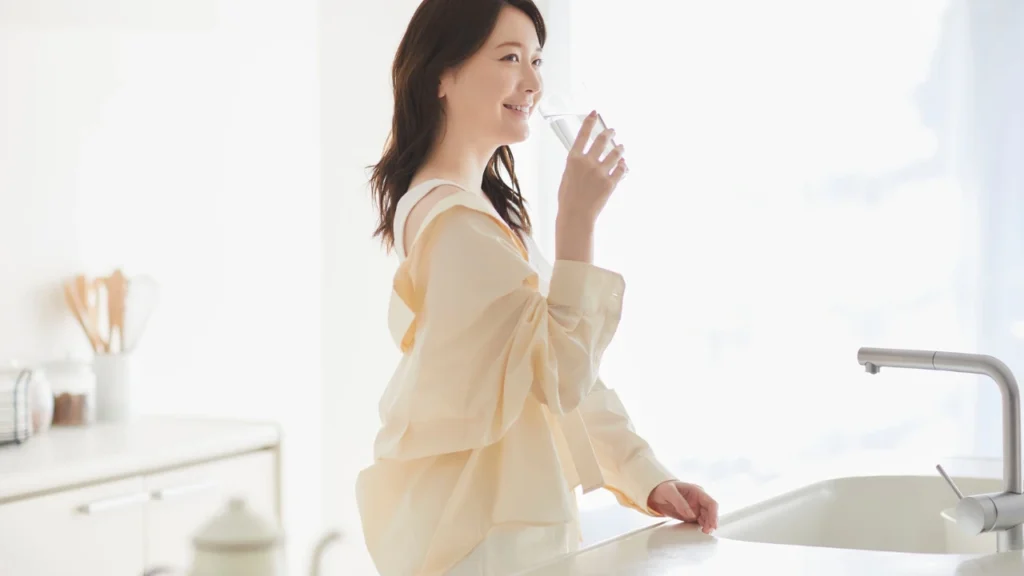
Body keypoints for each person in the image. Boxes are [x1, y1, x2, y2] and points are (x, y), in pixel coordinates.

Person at [355, 0, 719, 574]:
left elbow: (561, 371)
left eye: (537, 59)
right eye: (509, 58)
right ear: (442, 75)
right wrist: (577, 221)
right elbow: (561, 376)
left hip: (505, 531)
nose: (533, 81)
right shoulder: (454, 225)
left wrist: (649, 478)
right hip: (486, 539)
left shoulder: (483, 213)